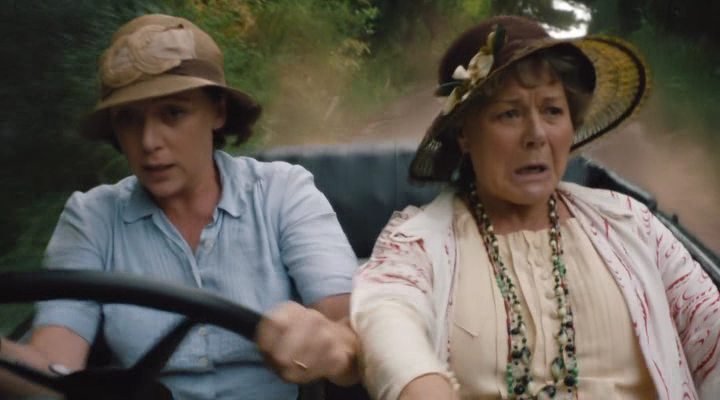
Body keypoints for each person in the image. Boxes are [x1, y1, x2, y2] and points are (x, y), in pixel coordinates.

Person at [351, 15, 720, 400]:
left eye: (552, 111)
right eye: (509, 113)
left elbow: (709, 325)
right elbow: (388, 319)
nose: (536, 135)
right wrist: (421, 385)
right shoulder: (417, 242)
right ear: (464, 133)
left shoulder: (631, 223)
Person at [0, 13, 360, 399]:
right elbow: (53, 372)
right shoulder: (91, 219)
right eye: (128, 119)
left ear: (218, 111)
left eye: (173, 112)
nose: (148, 141)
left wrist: (327, 343)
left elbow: (352, 338)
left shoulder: (282, 192)